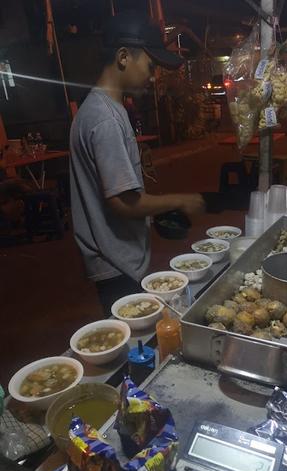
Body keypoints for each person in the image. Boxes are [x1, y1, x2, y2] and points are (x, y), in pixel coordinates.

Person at [70, 11, 205, 316]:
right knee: (136, 342)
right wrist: (180, 201)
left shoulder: (104, 109)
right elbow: (122, 202)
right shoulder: (104, 118)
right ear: (122, 57)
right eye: (150, 64)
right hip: (116, 263)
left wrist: (155, 214)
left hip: (119, 257)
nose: (153, 75)